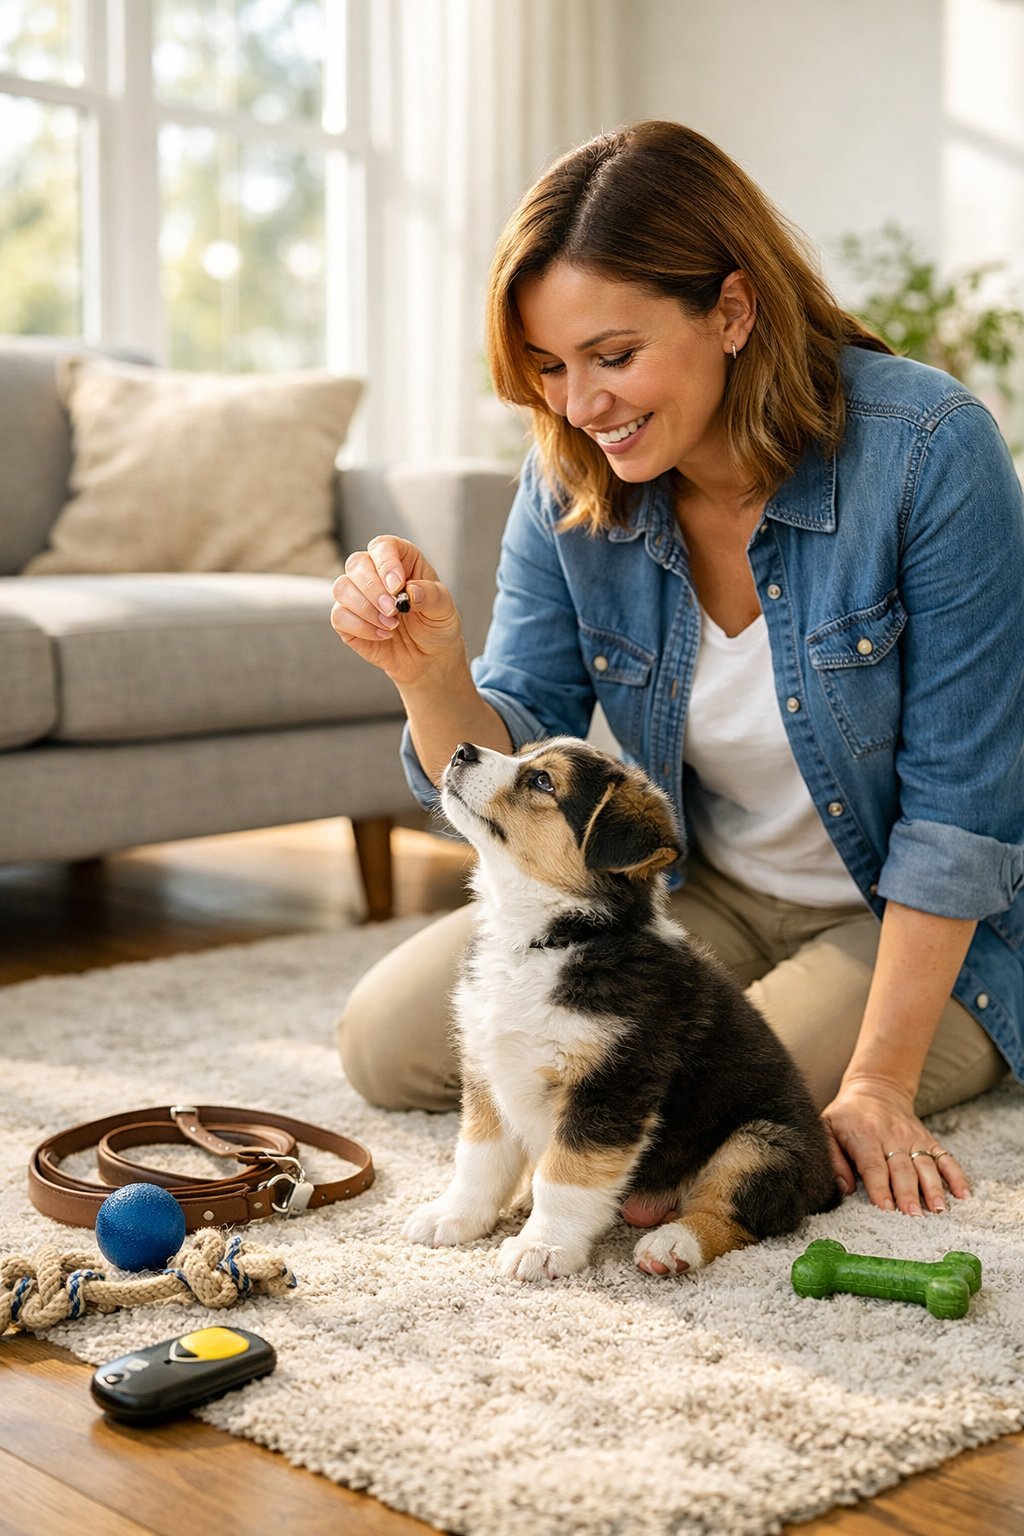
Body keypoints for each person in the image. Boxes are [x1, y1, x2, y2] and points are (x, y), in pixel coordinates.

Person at [330, 120, 1024, 1224]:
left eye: (613, 356)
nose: (579, 404)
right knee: (391, 1043)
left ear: (733, 312)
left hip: (903, 917)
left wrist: (880, 1085)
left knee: (679, 1147)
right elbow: (512, 770)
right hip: (695, 888)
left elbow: (962, 812)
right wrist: (428, 673)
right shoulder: (566, 474)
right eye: (551, 367)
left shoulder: (929, 451)